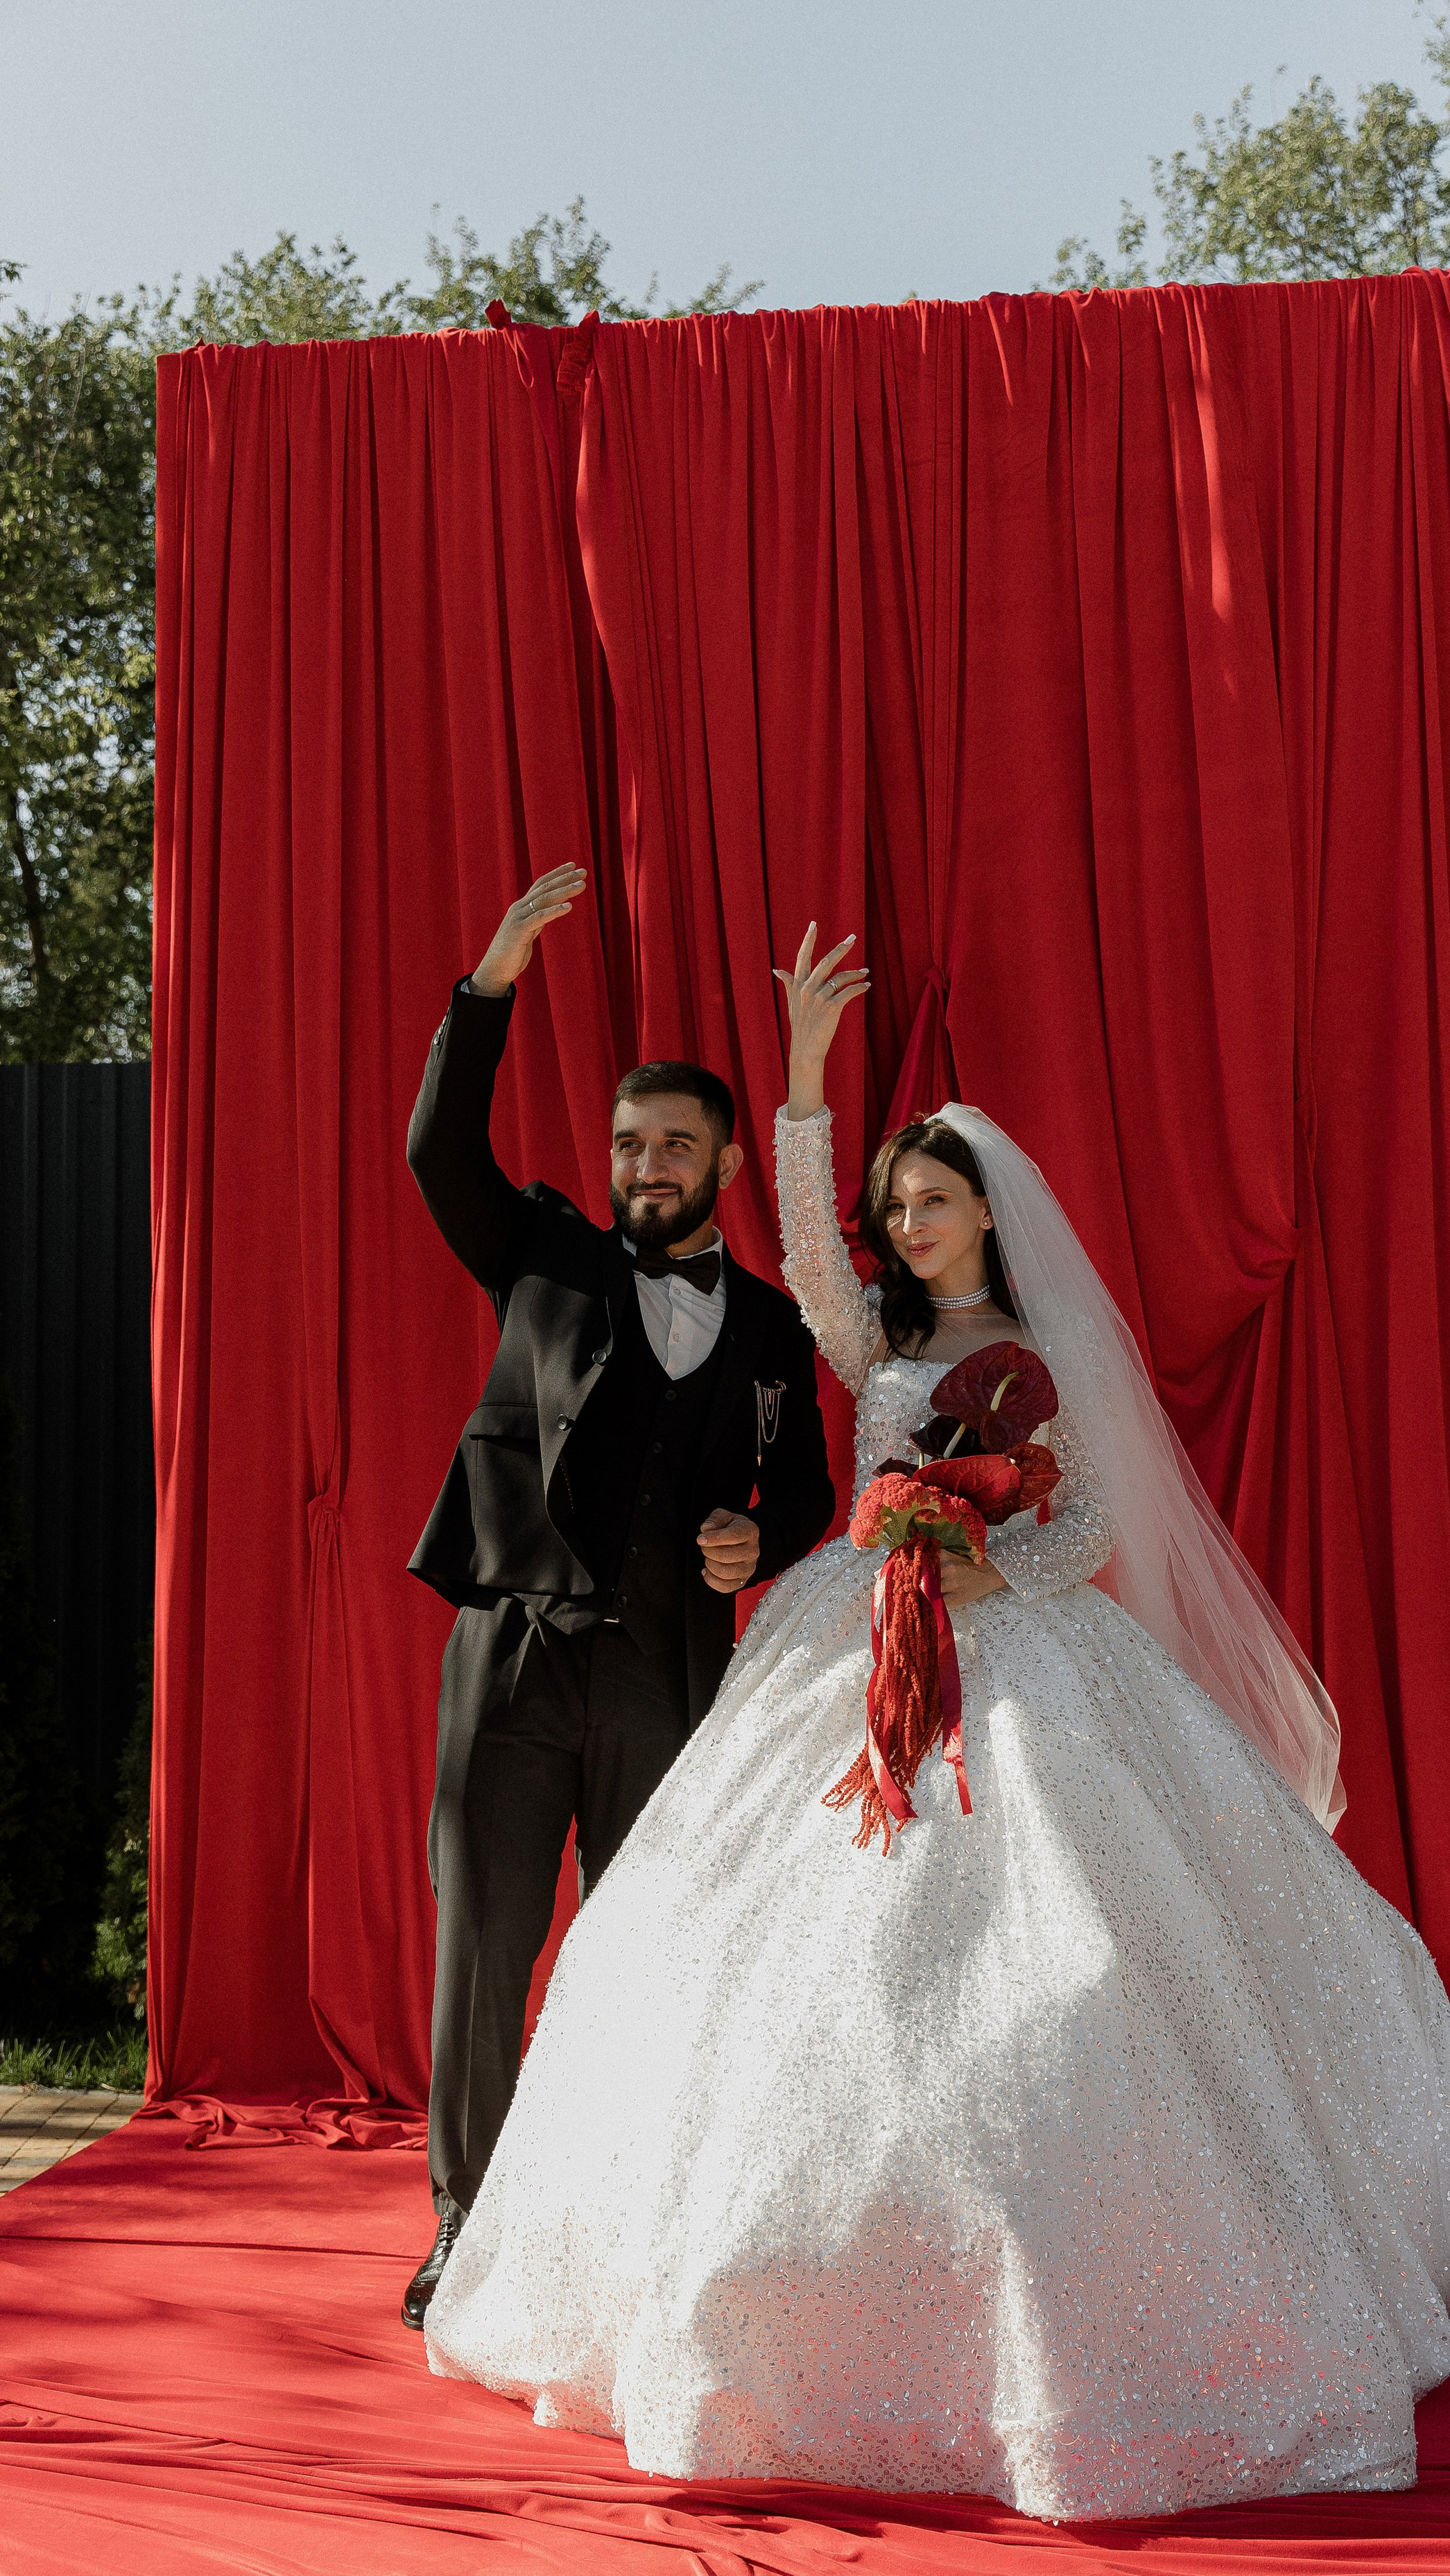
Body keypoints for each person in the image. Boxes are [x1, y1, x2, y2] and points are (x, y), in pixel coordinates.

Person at [424, 921, 1450, 2516]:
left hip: (1016, 1660)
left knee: (1058, 1958)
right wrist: (802, 1083)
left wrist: (984, 1565)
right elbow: (804, 1250)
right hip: (844, 1649)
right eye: (894, 1206)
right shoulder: (873, 1339)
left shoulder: (1039, 1350)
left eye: (930, 1202)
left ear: (986, 1212)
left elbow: (1088, 1531)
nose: (907, 1224)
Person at [399, 867, 835, 2329]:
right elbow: (439, 1148)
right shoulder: (543, 1251)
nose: (646, 1164)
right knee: (486, 1950)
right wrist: (490, 985)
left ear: (724, 1163)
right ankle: (464, 2231)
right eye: (629, 1142)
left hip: (669, 1671)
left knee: (649, 1957)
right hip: (516, 1654)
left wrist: (757, 1537)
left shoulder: (772, 1327)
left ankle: (623, 2226)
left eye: (674, 1144)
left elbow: (806, 1491)